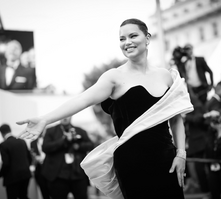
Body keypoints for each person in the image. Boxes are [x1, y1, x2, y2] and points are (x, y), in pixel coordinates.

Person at [17, 18, 193, 199]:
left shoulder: (165, 76)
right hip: (131, 162)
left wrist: (181, 154)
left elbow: (176, 118)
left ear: (147, 38)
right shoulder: (113, 77)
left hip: (166, 159)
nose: (127, 42)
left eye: (133, 36)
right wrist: (45, 119)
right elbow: (82, 100)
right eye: (122, 39)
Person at [41, 116, 94, 199]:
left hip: (78, 174)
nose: (65, 118)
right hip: (58, 176)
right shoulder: (51, 131)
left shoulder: (80, 130)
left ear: (71, 117)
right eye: (63, 116)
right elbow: (45, 148)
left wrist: (78, 146)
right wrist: (64, 140)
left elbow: (91, 145)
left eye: (68, 116)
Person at [0, 124, 32, 199]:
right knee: (23, 196)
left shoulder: (3, 145)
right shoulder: (22, 141)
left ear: (1, 133)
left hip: (12, 178)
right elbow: (29, 158)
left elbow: (6, 163)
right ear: (10, 130)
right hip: (25, 175)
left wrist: (0, 174)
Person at [30, 131, 50, 199]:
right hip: (39, 170)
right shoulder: (32, 143)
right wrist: (35, 158)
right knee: (43, 191)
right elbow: (33, 155)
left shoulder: (48, 140)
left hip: (50, 169)